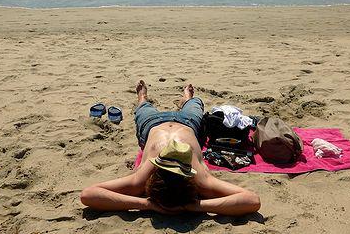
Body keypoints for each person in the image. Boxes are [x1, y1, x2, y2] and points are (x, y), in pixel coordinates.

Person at [80, 80, 261, 216]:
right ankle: (187, 99)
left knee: (143, 109)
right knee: (196, 104)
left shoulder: (141, 179)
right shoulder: (201, 181)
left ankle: (143, 97)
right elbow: (252, 200)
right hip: (188, 125)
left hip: (152, 126)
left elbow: (88, 195)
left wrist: (146, 204)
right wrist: (196, 206)